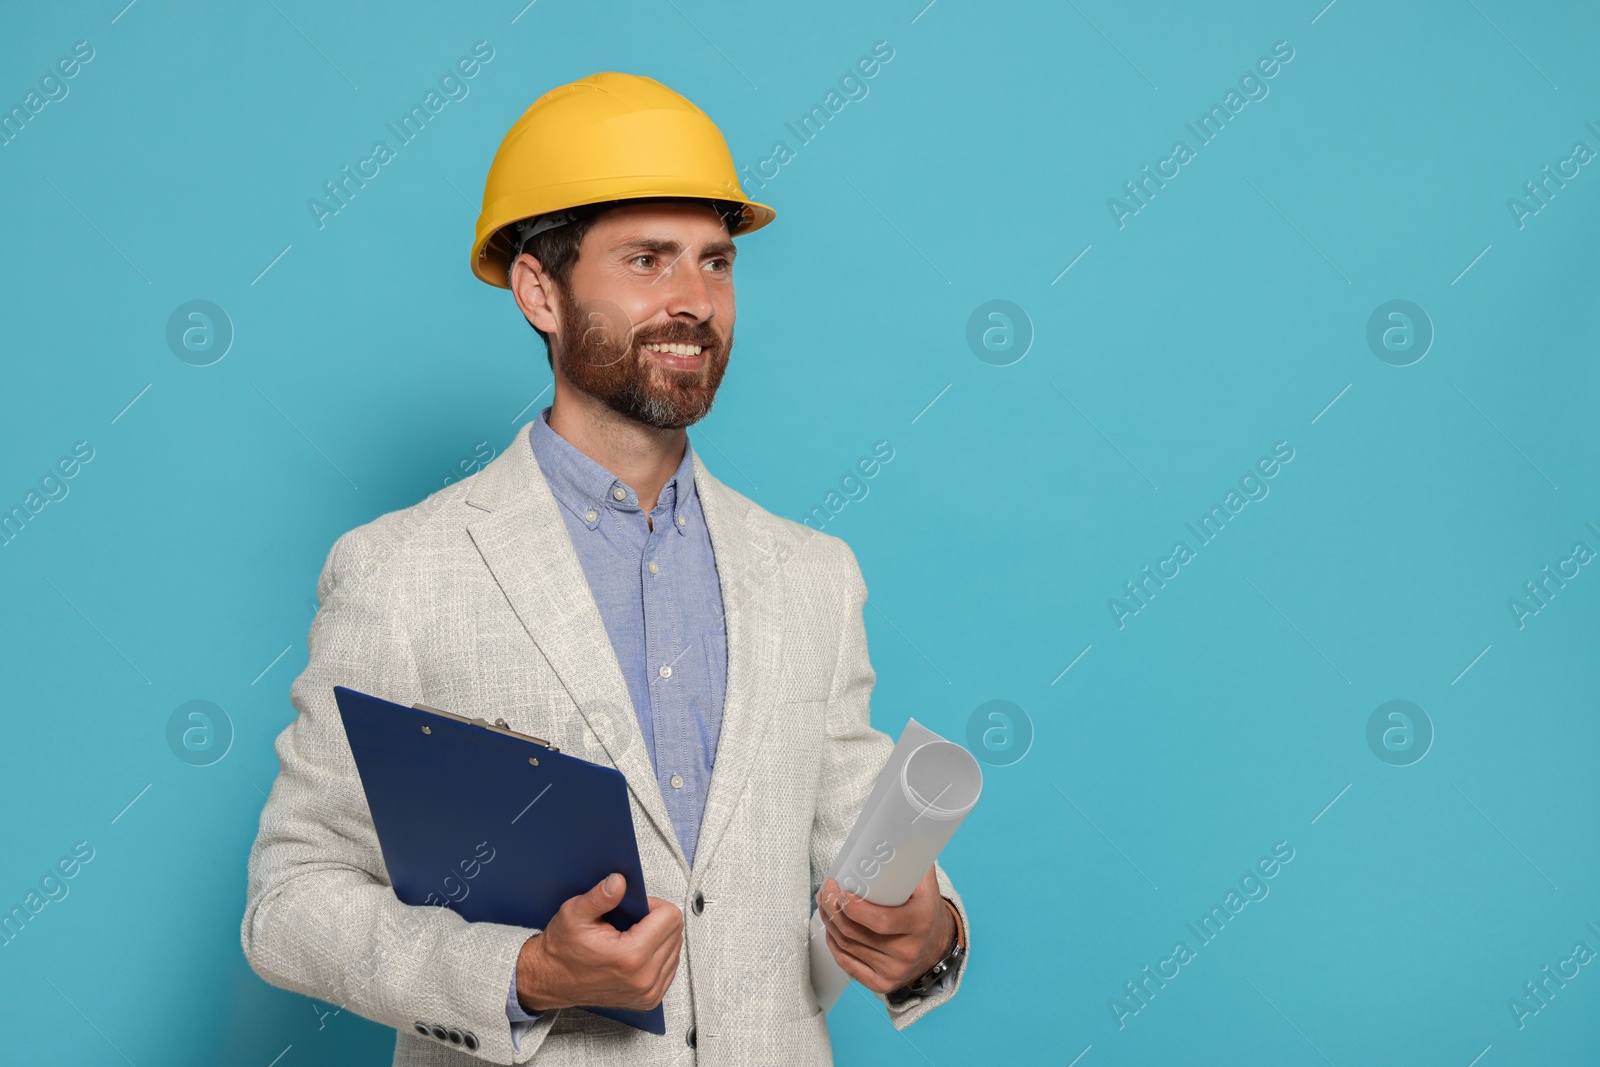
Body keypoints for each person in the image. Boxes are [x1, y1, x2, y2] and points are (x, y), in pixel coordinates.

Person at [241, 72, 969, 1065]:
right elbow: (290, 899)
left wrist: (928, 934)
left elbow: (864, 848)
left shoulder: (813, 574)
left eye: (715, 262)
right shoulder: (402, 570)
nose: (694, 301)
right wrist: (526, 972)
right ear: (540, 290)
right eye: (646, 260)